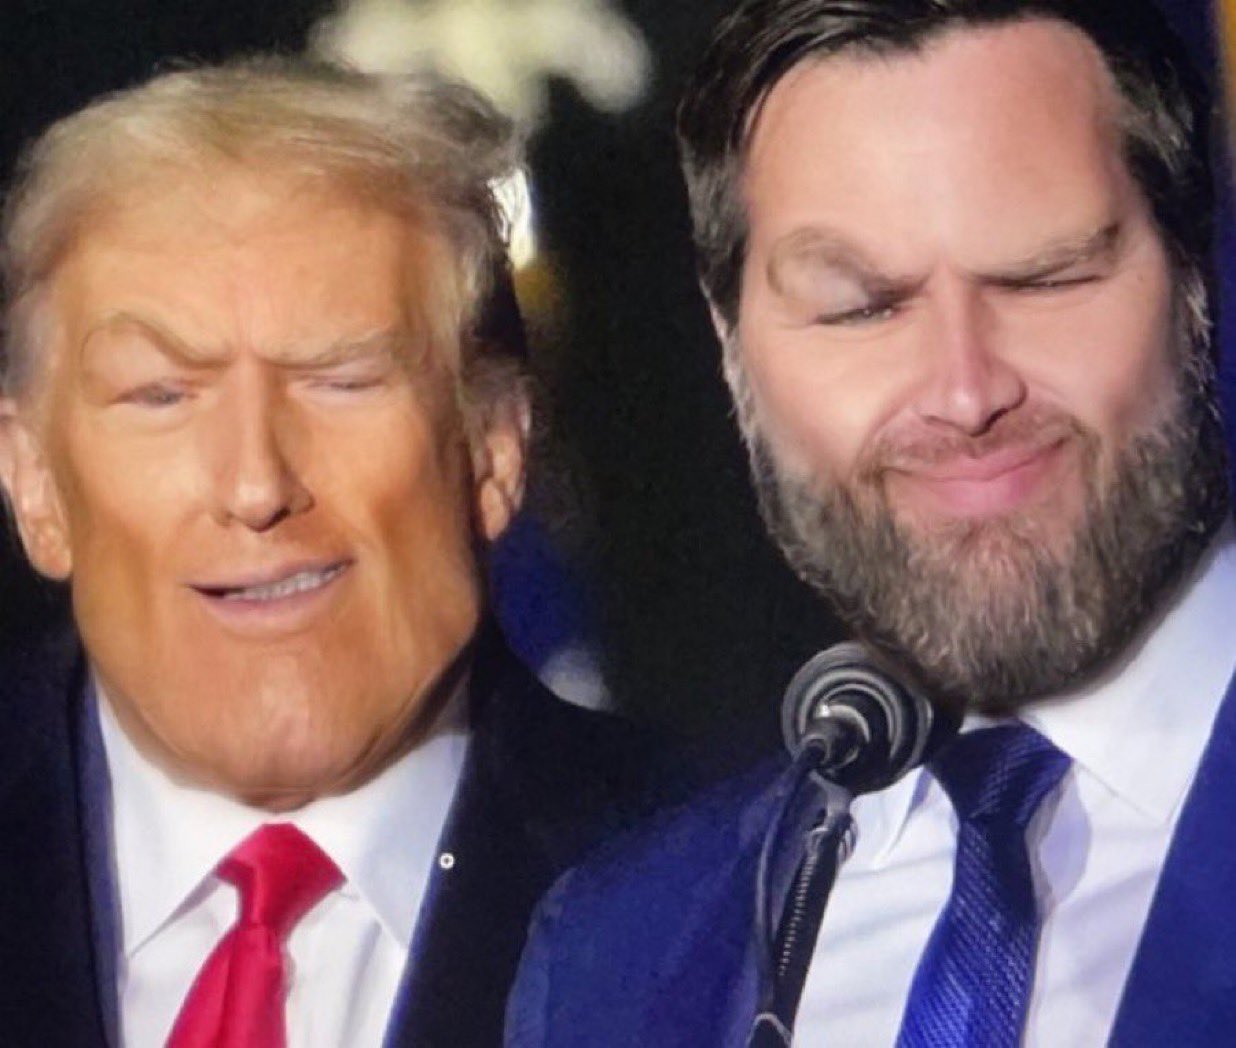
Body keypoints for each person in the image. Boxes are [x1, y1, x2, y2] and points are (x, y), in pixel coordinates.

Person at [506, 0, 1236, 1044]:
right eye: (863, 308)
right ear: (729, 347)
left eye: (1044, 277)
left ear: (1196, 276)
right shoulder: (610, 961)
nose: (965, 392)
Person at [0, 57, 682, 1047]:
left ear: (493, 449)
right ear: (33, 481)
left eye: (342, 380)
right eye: (161, 395)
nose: (256, 485)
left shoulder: (735, 895)